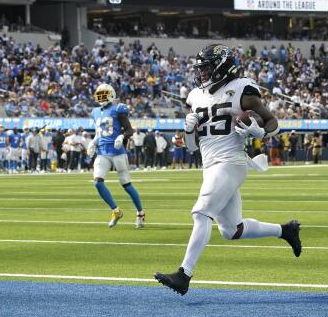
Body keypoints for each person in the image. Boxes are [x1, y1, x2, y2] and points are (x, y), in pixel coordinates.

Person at [155, 44, 301, 296]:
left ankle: (184, 274)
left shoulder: (241, 89)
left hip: (231, 161)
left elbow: (272, 121)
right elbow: (191, 147)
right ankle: (285, 230)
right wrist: (188, 131)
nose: (201, 73)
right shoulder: (195, 96)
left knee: (201, 213)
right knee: (232, 230)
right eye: (200, 68)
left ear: (222, 67)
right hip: (210, 164)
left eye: (206, 68)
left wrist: (261, 132)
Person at [88, 83, 146, 229]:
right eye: (99, 95)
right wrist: (93, 142)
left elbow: (129, 130)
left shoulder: (118, 109)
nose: (101, 98)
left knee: (126, 185)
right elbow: (99, 132)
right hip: (102, 152)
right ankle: (115, 210)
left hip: (117, 152)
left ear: (111, 95)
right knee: (97, 182)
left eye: (104, 95)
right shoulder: (95, 112)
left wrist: (121, 136)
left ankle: (140, 212)